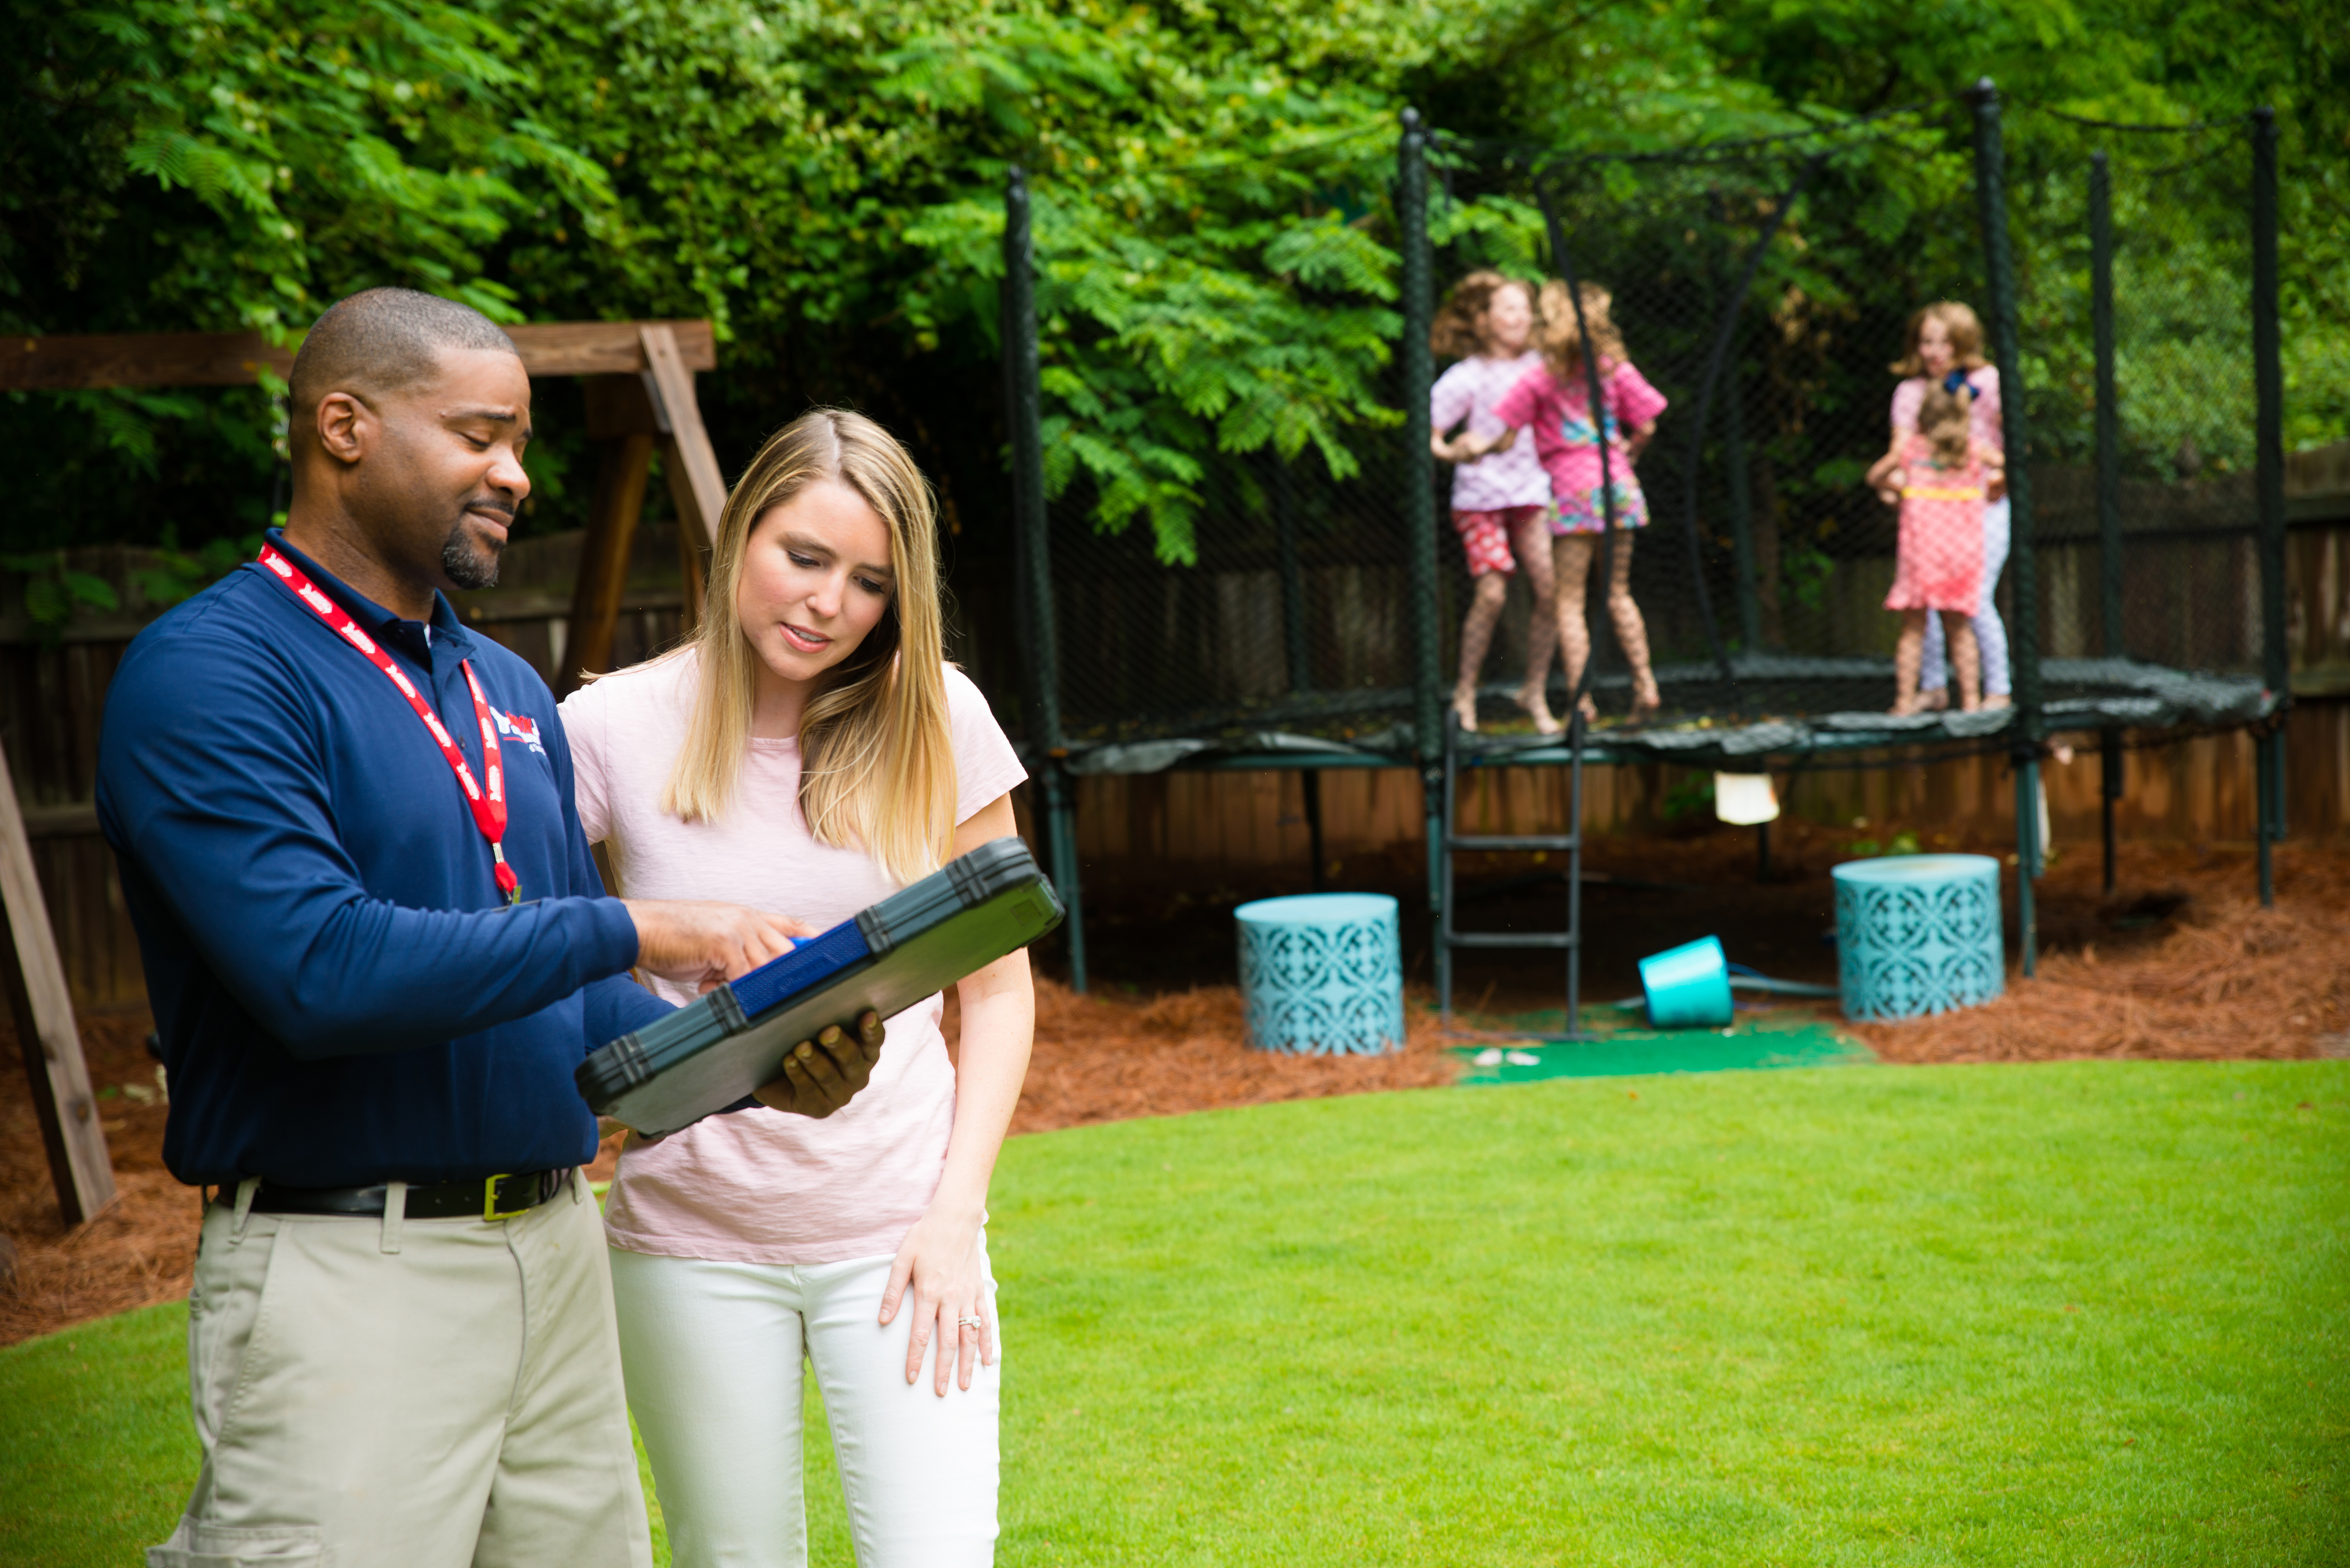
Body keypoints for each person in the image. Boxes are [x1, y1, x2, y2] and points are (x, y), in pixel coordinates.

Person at [99, 288, 882, 1568]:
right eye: (479, 436)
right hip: (352, 1270)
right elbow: (321, 972)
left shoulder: (500, 686)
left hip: (557, 1256)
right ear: (344, 426)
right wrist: (637, 925)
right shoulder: (212, 674)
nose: (513, 474)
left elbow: (561, 1007)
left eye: (520, 443)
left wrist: (763, 1061)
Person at [561, 408, 1035, 1568]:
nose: (829, 602)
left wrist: (953, 1215)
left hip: (902, 1234)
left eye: (869, 580)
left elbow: (1001, 988)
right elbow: (544, 957)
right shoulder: (605, 727)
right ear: (737, 539)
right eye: (804, 557)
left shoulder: (940, 712)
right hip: (687, 1244)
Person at [1444, 279, 1668, 720]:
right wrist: (1630, 450)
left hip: (1573, 495)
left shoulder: (1539, 378)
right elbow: (1647, 423)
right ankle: (1646, 684)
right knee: (1618, 593)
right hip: (1619, 489)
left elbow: (1505, 439)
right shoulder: (1611, 368)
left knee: (1568, 601)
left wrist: (1472, 448)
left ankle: (1582, 701)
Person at [1429, 270, 1559, 734]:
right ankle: (1465, 692)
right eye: (1508, 308)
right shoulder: (1465, 377)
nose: (1520, 317)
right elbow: (1434, 437)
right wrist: (1454, 450)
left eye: (1525, 308)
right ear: (1483, 319)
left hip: (1532, 494)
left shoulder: (1543, 367)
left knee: (1551, 590)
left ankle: (1535, 690)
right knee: (1492, 591)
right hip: (1480, 499)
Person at [1883, 301, 2013, 710]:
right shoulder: (1911, 392)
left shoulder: (1987, 382)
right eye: (1926, 342)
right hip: (1936, 515)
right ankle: (1936, 688)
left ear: (1963, 342)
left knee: (1973, 597)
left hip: (1983, 509)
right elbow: (1900, 453)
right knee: (1930, 596)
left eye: (1944, 341)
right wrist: (1894, 479)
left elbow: (2011, 445)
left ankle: (1997, 691)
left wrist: (2002, 476)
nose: (1934, 351)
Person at [1867, 382, 1999, 713]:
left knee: (1913, 629)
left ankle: (1903, 701)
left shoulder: (1912, 451)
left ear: (1923, 418)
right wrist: (1995, 486)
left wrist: (1893, 488)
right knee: (1959, 627)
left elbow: (1874, 476)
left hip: (1922, 556)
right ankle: (1970, 703)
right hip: (1960, 557)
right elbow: (2006, 466)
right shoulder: (1973, 450)